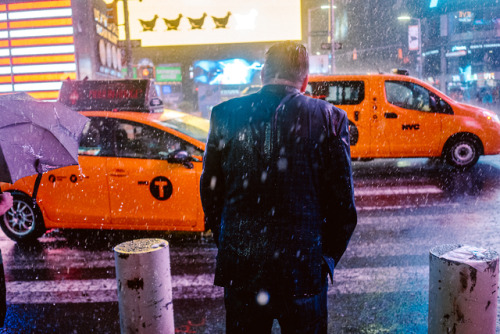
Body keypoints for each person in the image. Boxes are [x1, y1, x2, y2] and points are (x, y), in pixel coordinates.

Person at [200, 41, 357, 333]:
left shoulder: (224, 114)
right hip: (302, 273)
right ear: (305, 79)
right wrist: (324, 258)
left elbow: (211, 191)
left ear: (263, 75)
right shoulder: (330, 118)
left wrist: (229, 241)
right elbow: (343, 206)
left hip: (242, 270)